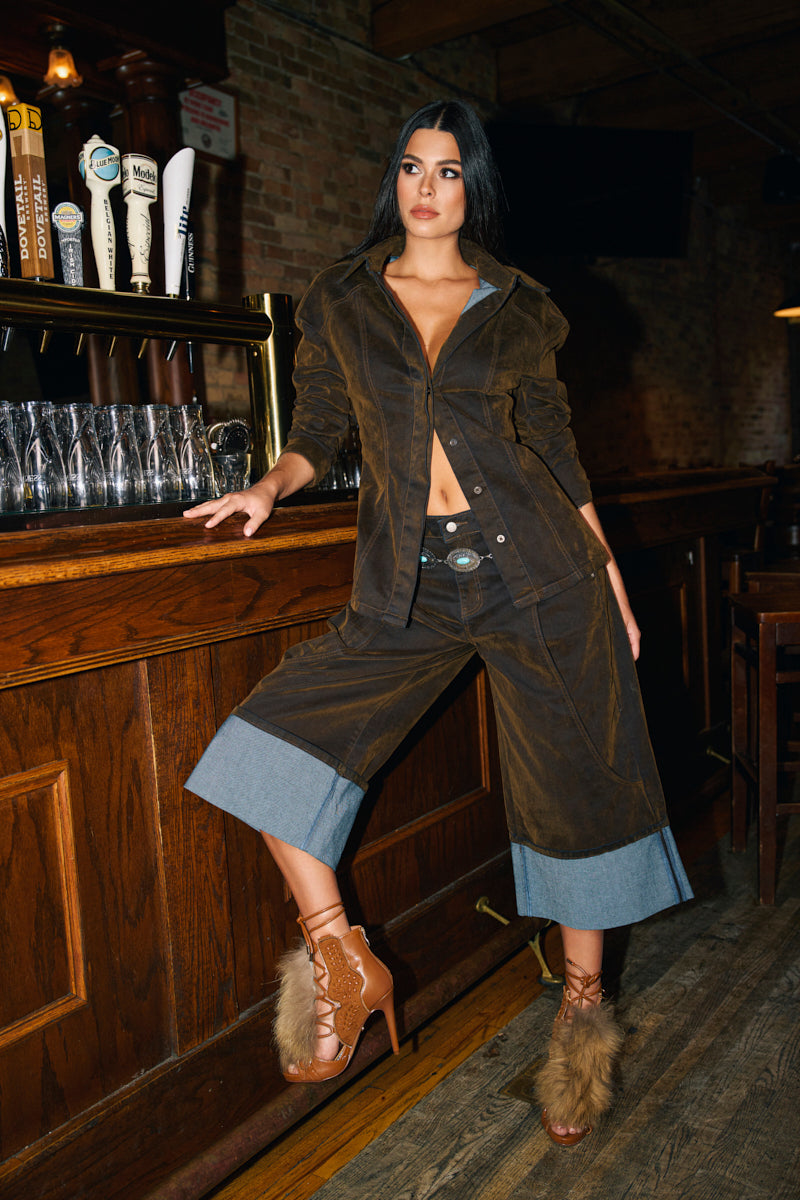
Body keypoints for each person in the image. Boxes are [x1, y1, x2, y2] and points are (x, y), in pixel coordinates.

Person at [184, 99, 693, 1146]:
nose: (426, 186)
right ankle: (337, 958)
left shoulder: (520, 307)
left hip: (539, 573)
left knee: (581, 791)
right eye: (411, 167)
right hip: (406, 583)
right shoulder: (342, 296)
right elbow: (319, 423)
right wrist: (270, 488)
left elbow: (554, 451)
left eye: (448, 170)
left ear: (473, 188)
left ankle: (581, 1024)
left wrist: (610, 584)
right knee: (264, 746)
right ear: (394, 180)